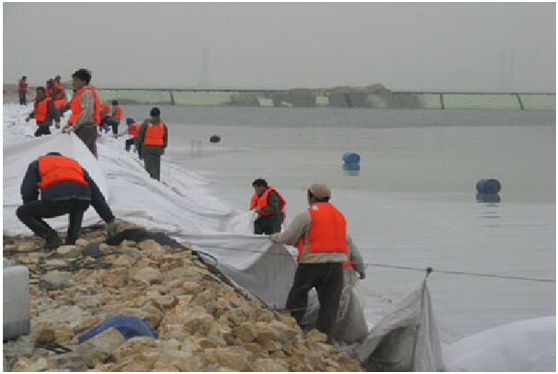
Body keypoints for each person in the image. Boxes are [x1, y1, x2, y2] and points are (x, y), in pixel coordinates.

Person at [269, 183, 348, 340]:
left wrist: (273, 237)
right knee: (329, 303)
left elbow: (288, 237)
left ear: (311, 197)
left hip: (312, 263)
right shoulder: (339, 216)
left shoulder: (307, 215)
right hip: (336, 266)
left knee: (299, 294)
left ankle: (292, 328)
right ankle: (324, 337)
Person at [16, 152, 117, 249]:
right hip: (82, 199)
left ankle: (52, 238)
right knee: (78, 203)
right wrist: (109, 218)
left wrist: (32, 210)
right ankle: (72, 239)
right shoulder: (74, 165)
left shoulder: (38, 163)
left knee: (22, 212)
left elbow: (28, 190)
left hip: (55, 200)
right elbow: (95, 194)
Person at [63, 68, 101, 158]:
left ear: (84, 82)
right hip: (81, 126)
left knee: (83, 154)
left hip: (86, 127)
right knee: (87, 153)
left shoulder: (86, 93)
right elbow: (76, 112)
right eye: (73, 80)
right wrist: (70, 124)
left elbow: (87, 112)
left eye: (76, 80)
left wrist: (74, 126)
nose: (73, 83)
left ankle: (88, 170)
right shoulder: (79, 93)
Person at [135, 107, 168, 181]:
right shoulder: (162, 125)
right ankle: (157, 180)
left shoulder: (146, 123)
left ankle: (152, 183)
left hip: (147, 148)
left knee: (149, 167)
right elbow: (165, 137)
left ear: (151, 114)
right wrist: (163, 147)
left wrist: (137, 147)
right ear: (159, 115)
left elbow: (139, 136)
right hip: (158, 149)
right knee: (156, 167)